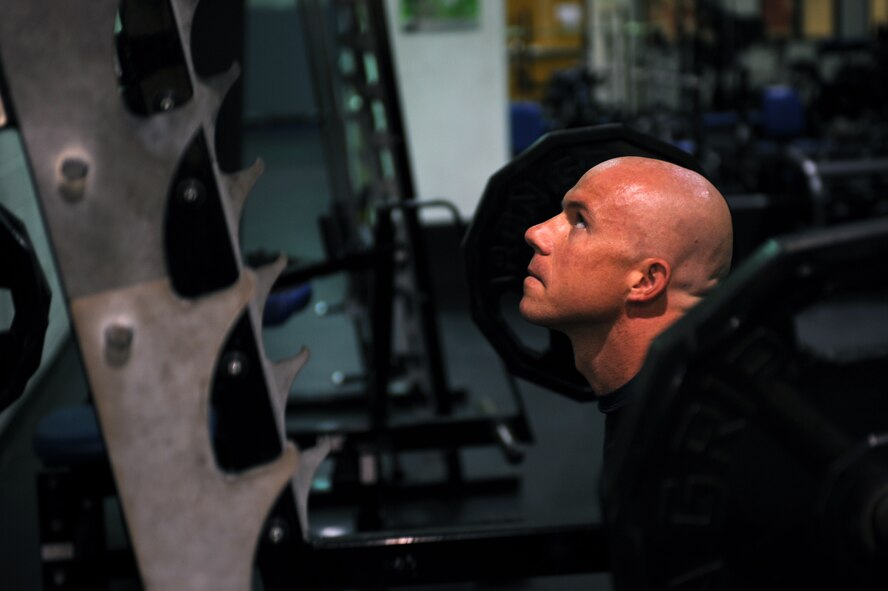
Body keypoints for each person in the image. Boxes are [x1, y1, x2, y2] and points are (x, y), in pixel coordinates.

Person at [519, 156, 733, 474]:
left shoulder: (676, 457)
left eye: (580, 221)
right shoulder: (664, 414)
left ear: (646, 282)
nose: (536, 233)